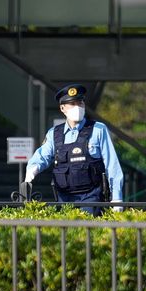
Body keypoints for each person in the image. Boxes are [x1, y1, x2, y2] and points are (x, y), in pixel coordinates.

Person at [24, 84, 123, 214]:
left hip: (91, 198)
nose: (78, 107)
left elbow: (112, 166)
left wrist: (117, 199)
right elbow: (41, 156)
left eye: (80, 103)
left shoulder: (98, 129)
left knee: (86, 233)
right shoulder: (54, 134)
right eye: (72, 104)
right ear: (62, 108)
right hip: (63, 199)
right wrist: (33, 168)